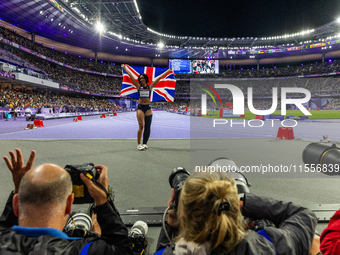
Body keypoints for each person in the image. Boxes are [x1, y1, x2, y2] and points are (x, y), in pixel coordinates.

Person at [0, 148, 133, 255]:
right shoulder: (84, 249)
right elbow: (124, 249)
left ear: (16, 204)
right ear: (69, 205)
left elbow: (4, 228)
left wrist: (20, 188)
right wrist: (102, 199)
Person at [156, 171, 318, 255]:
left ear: (182, 216)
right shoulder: (270, 244)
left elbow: (164, 251)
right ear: (232, 206)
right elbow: (304, 215)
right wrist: (247, 202)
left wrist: (170, 227)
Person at [122, 64, 173, 151]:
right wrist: (124, 67)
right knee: (141, 126)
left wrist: (168, 71)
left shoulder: (150, 86)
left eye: (143, 78)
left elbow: (159, 77)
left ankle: (145, 143)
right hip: (141, 108)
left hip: (148, 108)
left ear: (146, 79)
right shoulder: (138, 86)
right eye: (140, 78)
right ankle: (138, 144)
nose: (141, 79)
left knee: (148, 127)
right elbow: (130, 75)